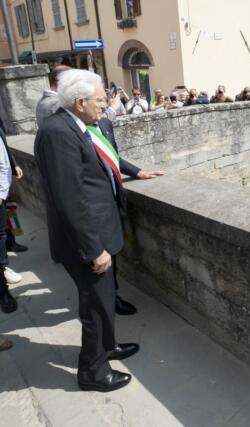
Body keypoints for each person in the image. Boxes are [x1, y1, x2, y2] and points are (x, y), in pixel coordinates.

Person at [34, 69, 162, 391]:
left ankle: (107, 348)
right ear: (80, 102)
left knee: (103, 301)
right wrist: (94, 249)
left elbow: (102, 166)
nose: (105, 105)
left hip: (98, 234)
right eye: (100, 100)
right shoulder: (58, 133)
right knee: (95, 305)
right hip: (86, 243)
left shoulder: (76, 126)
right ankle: (92, 372)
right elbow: (69, 199)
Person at [0, 124, 18, 313]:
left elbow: (3, 145)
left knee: (11, 215)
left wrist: (14, 165)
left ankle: (13, 242)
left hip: (3, 189)